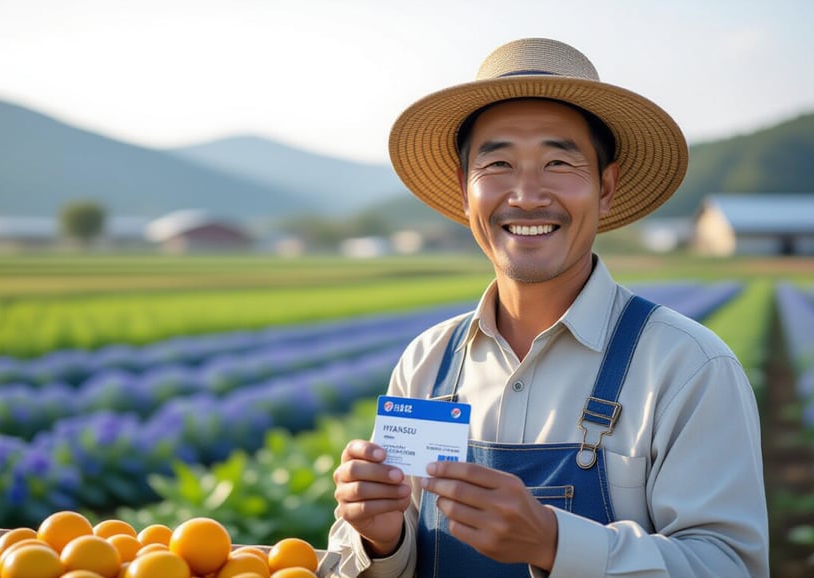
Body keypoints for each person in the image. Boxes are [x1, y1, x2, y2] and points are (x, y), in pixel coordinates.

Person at [327, 37, 769, 577]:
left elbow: (729, 566)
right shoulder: (427, 362)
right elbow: (370, 560)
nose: (527, 195)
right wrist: (379, 538)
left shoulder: (688, 367)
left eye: (559, 162)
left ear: (605, 188)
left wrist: (553, 542)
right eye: (498, 164)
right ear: (466, 193)